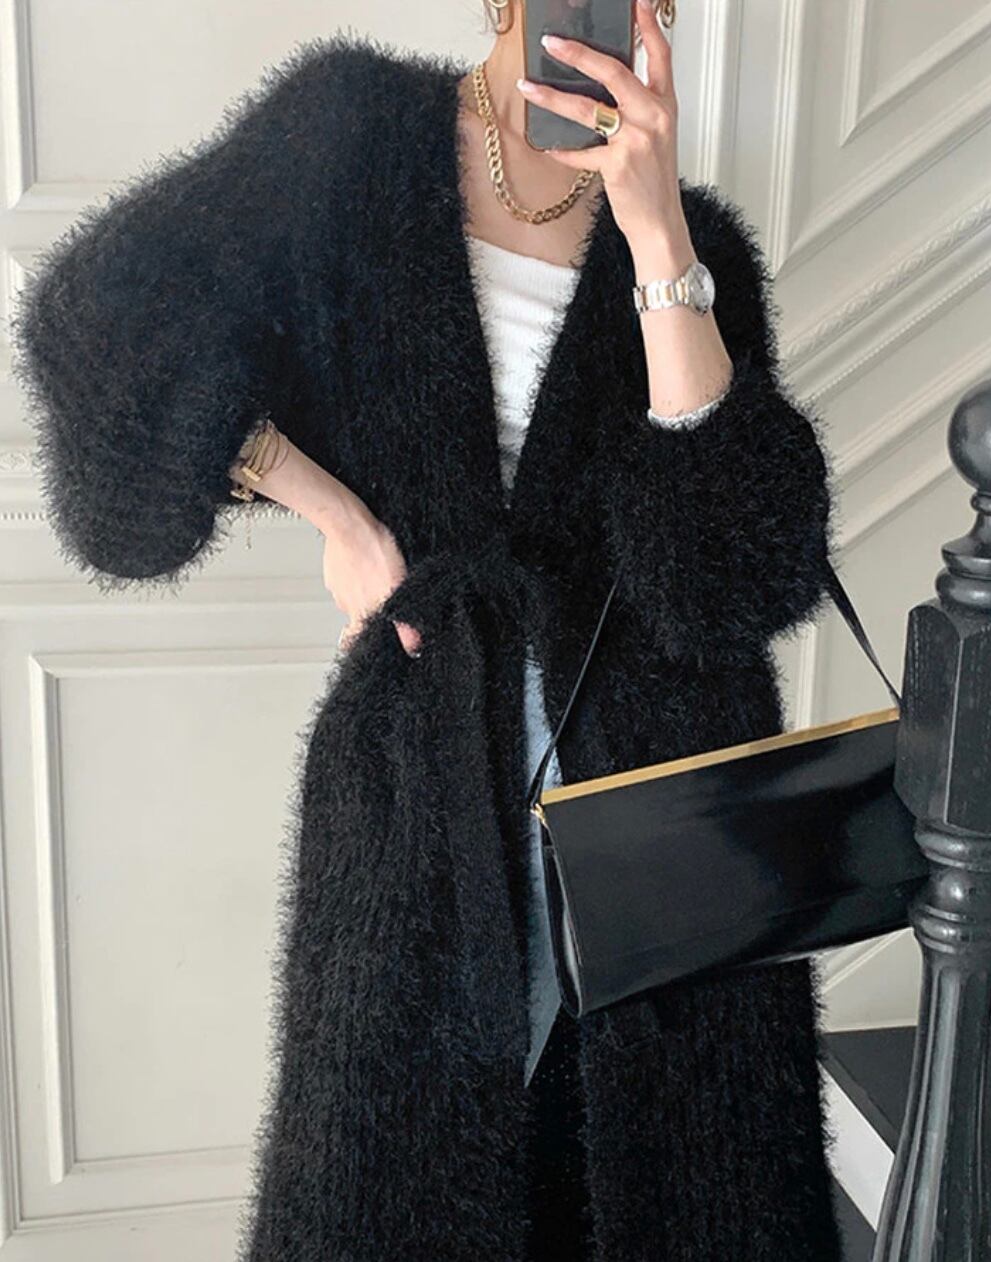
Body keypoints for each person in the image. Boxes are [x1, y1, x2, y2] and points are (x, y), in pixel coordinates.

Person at [10, 2, 845, 1258]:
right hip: (423, 762)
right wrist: (330, 507)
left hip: (660, 801)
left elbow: (730, 584)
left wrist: (657, 231)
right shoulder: (351, 134)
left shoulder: (691, 232)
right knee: (393, 1181)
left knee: (662, 1192)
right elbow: (101, 324)